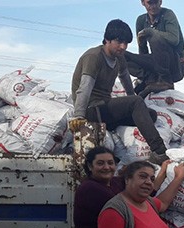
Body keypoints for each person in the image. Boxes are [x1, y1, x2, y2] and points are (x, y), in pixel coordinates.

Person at [70, 19, 168, 164]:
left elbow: (125, 78)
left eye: (126, 43)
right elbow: (85, 87)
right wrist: (79, 115)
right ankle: (160, 152)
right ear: (107, 40)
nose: (123, 46)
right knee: (136, 103)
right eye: (119, 41)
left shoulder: (118, 57)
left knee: (150, 115)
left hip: (105, 108)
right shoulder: (94, 57)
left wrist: (134, 101)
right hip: (92, 109)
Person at [126, 0, 184, 96]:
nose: (153, 6)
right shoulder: (141, 20)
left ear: (161, 1)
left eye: (156, 2)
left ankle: (165, 81)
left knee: (155, 38)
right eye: (150, 3)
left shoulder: (168, 14)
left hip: (175, 66)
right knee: (121, 55)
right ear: (143, 3)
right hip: (156, 65)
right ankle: (149, 79)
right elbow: (143, 49)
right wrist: (144, 66)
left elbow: (174, 39)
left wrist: (151, 32)